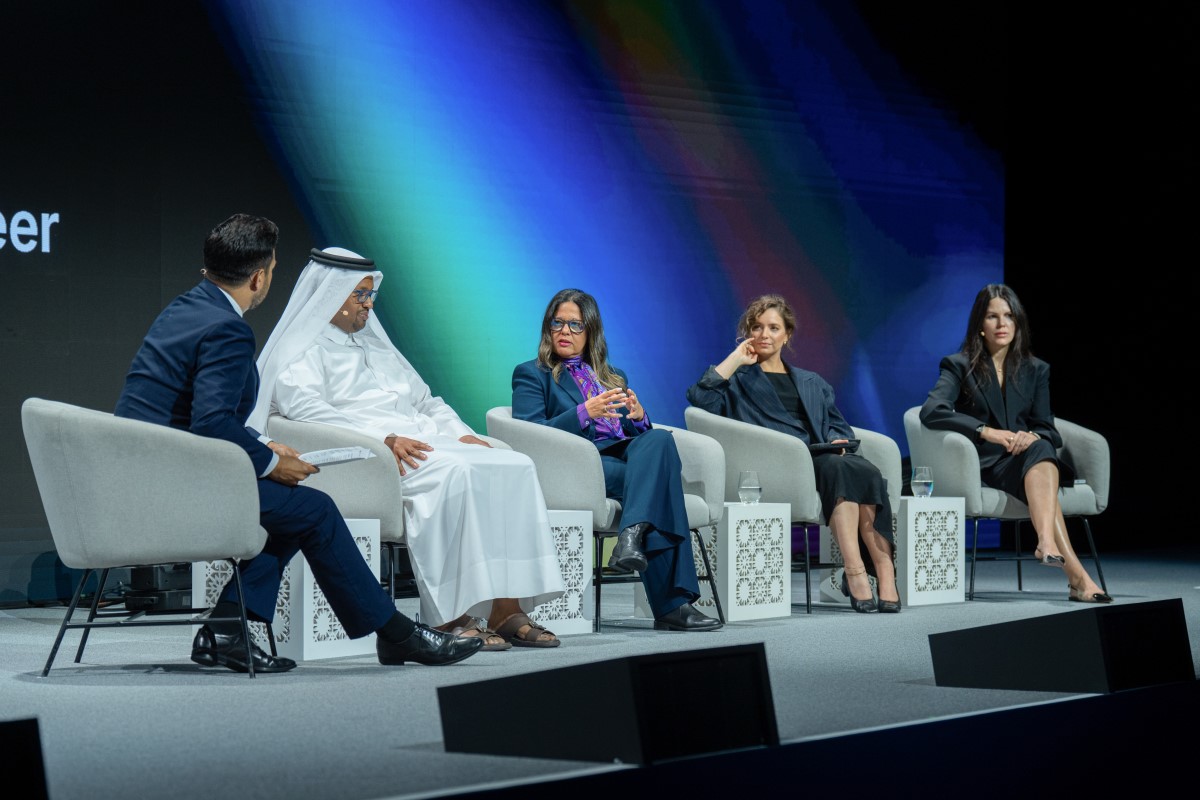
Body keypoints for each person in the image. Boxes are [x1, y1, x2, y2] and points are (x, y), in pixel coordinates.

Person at [114, 214, 483, 672]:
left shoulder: (185, 309)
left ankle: (228, 628)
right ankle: (397, 635)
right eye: (272, 269)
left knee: (296, 511)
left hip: (147, 472)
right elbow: (210, 423)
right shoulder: (227, 328)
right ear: (259, 277)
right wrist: (270, 462)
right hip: (173, 483)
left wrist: (264, 443)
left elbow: (192, 414)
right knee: (314, 510)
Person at [248, 247, 566, 648]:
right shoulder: (302, 350)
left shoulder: (378, 346)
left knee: (513, 463)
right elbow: (307, 411)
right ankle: (451, 615)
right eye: (359, 295)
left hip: (426, 441)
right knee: (457, 472)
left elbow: (427, 401)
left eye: (370, 295)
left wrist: (461, 432)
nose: (368, 304)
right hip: (373, 454)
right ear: (330, 295)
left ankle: (506, 608)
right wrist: (382, 439)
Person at [511, 288, 722, 632]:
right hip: (580, 467)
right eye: (557, 323)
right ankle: (672, 604)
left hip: (622, 461)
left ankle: (631, 536)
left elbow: (632, 436)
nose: (564, 331)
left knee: (659, 439)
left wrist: (639, 418)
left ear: (591, 331)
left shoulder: (613, 377)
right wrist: (583, 412)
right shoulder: (533, 374)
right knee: (661, 486)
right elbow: (529, 434)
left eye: (575, 325)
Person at [687, 293, 899, 613]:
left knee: (866, 471)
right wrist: (734, 359)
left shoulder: (812, 382)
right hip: (779, 465)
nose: (764, 334)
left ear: (787, 335)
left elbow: (837, 425)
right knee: (841, 470)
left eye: (773, 328)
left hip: (821, 457)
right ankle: (856, 572)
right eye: (756, 327)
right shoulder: (737, 381)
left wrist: (837, 440)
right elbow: (700, 400)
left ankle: (884, 572)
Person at [919, 283, 1111, 603]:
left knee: (1042, 445)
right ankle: (1073, 573)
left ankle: (1051, 549)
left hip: (1025, 460)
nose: (1002, 324)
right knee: (1043, 461)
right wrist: (987, 431)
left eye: (1009, 316)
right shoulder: (959, 365)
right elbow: (931, 411)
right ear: (980, 324)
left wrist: (1031, 435)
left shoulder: (1036, 370)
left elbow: (1046, 427)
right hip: (984, 463)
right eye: (992, 316)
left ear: (1018, 322)